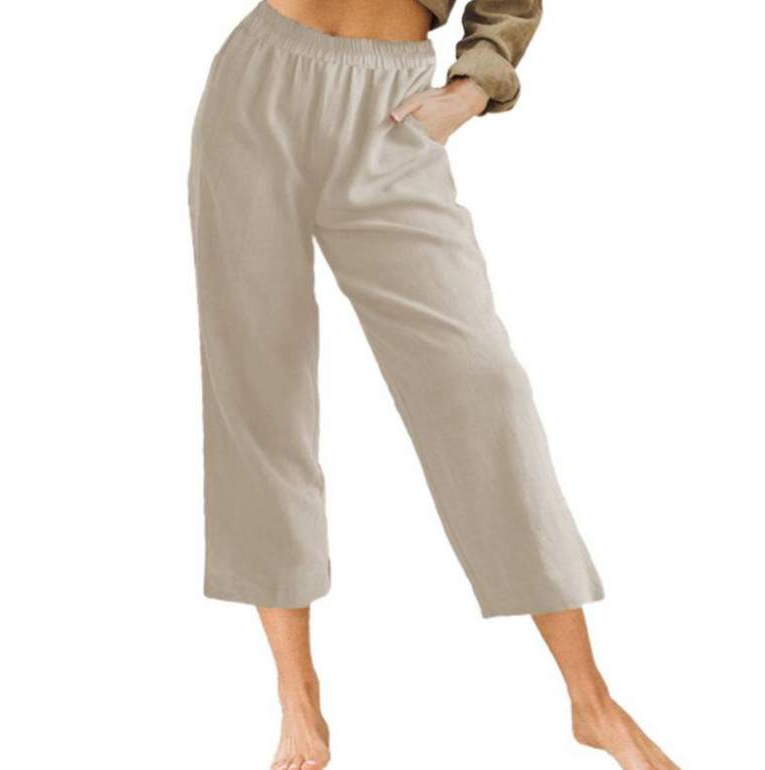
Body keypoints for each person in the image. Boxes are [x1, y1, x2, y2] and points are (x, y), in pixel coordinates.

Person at [188, 2, 681, 768]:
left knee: (484, 388)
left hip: (392, 108)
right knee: (261, 391)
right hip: (260, 83)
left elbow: (509, 5)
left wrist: (473, 89)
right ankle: (298, 696)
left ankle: (591, 700)